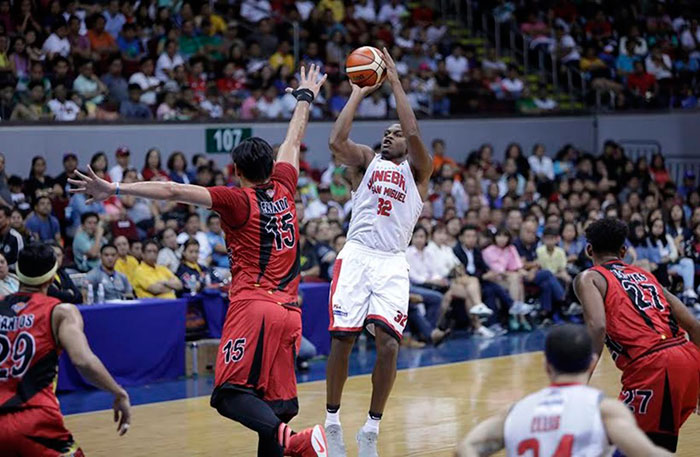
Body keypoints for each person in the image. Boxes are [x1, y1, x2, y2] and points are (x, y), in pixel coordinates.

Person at [69, 64, 329, 457]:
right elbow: (294, 137)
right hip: (291, 311)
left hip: (254, 306)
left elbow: (173, 188)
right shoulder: (285, 184)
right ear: (271, 167)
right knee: (273, 411)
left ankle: (297, 443)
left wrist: (115, 186)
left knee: (228, 396)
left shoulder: (236, 200)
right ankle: (288, 439)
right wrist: (305, 97)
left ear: (237, 170)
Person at [326, 48, 433, 456]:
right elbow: (336, 141)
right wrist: (357, 92)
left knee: (389, 345)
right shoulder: (367, 161)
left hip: (391, 261)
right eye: (386, 132)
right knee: (343, 341)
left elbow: (416, 133)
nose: (390, 134)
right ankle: (333, 420)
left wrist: (395, 83)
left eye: (396, 132)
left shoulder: (419, 171)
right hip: (357, 254)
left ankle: (371, 428)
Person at [574, 218, 700, 452]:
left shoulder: (589, 277)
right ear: (623, 251)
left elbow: (598, 327)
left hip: (654, 367)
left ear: (589, 249)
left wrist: (578, 383)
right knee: (629, 442)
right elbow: (694, 326)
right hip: (689, 360)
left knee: (625, 446)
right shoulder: (646, 275)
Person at [455, 324, 672, 457]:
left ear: (547, 365)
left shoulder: (515, 411)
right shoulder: (604, 410)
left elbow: (465, 448)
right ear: (592, 363)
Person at [0, 243, 131, 455]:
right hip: (35, 421)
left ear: (18, 274)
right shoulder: (60, 312)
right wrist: (118, 392)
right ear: (53, 277)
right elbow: (83, 361)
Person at [0, 206, 23, 270]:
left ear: (8, 219)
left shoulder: (16, 237)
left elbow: (20, 262)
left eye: (0, 217)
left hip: (11, 274)